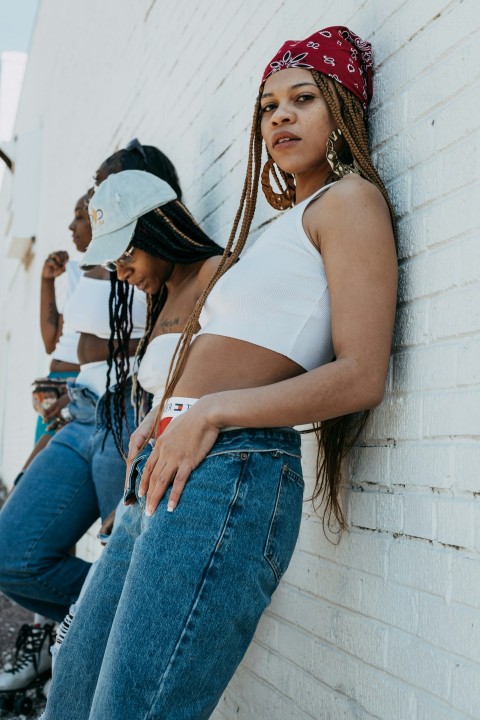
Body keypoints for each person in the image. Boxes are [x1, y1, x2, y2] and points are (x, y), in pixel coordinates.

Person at [42, 26, 397, 720]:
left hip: (231, 469)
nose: (281, 116)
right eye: (268, 106)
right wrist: (165, 412)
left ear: (345, 109)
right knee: (73, 695)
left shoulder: (350, 203)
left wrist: (209, 412)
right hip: (174, 465)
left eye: (303, 99)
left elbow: (361, 375)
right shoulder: (279, 226)